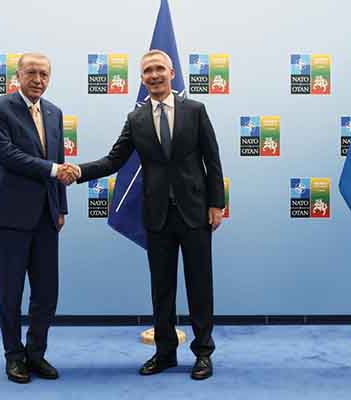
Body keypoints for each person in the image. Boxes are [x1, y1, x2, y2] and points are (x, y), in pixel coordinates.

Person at [76, 49, 225, 380]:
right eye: (147, 71)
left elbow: (212, 160)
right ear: (141, 79)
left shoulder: (195, 110)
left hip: (195, 213)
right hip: (157, 216)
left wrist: (216, 204)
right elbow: (113, 160)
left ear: (172, 73)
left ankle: (203, 353)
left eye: (159, 68)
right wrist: (79, 172)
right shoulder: (136, 119)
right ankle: (165, 352)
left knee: (200, 286)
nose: (154, 75)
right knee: (162, 289)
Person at [0, 52, 78, 383]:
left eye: (44, 74)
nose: (38, 80)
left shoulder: (54, 112)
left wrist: (61, 207)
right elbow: (6, 154)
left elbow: (59, 159)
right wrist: (53, 170)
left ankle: (36, 354)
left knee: (47, 292)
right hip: (8, 215)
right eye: (32, 73)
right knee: (10, 292)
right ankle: (13, 356)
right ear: (18, 75)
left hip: (46, 217)